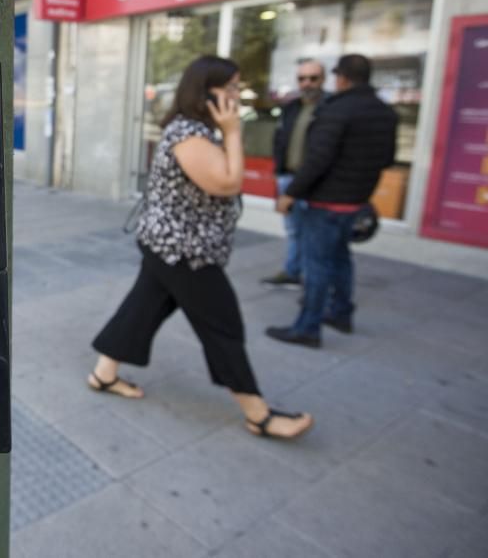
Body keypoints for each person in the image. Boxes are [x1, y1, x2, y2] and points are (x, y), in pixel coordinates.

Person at [88, 55, 313, 440]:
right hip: (183, 250)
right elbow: (226, 183)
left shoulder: (196, 129)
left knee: (143, 309)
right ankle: (258, 414)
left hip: (172, 245)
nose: (235, 95)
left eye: (236, 87)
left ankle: (103, 374)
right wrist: (235, 132)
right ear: (205, 92)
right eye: (229, 88)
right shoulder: (189, 133)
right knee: (222, 324)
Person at [267, 54, 397, 348]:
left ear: (340, 78)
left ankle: (308, 328)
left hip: (326, 200)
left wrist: (291, 193)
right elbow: (387, 158)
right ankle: (340, 312)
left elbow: (318, 159)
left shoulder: (337, 110)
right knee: (340, 258)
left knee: (317, 265)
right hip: (356, 199)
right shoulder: (384, 111)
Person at [261, 59, 327, 289]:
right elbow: (280, 138)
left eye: (313, 78)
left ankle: (313, 282)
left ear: (322, 79)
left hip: (315, 180)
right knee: (293, 229)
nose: (307, 83)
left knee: (315, 233)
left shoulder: (329, 108)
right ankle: (292, 271)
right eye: (302, 78)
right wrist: (279, 171)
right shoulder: (292, 107)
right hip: (288, 176)